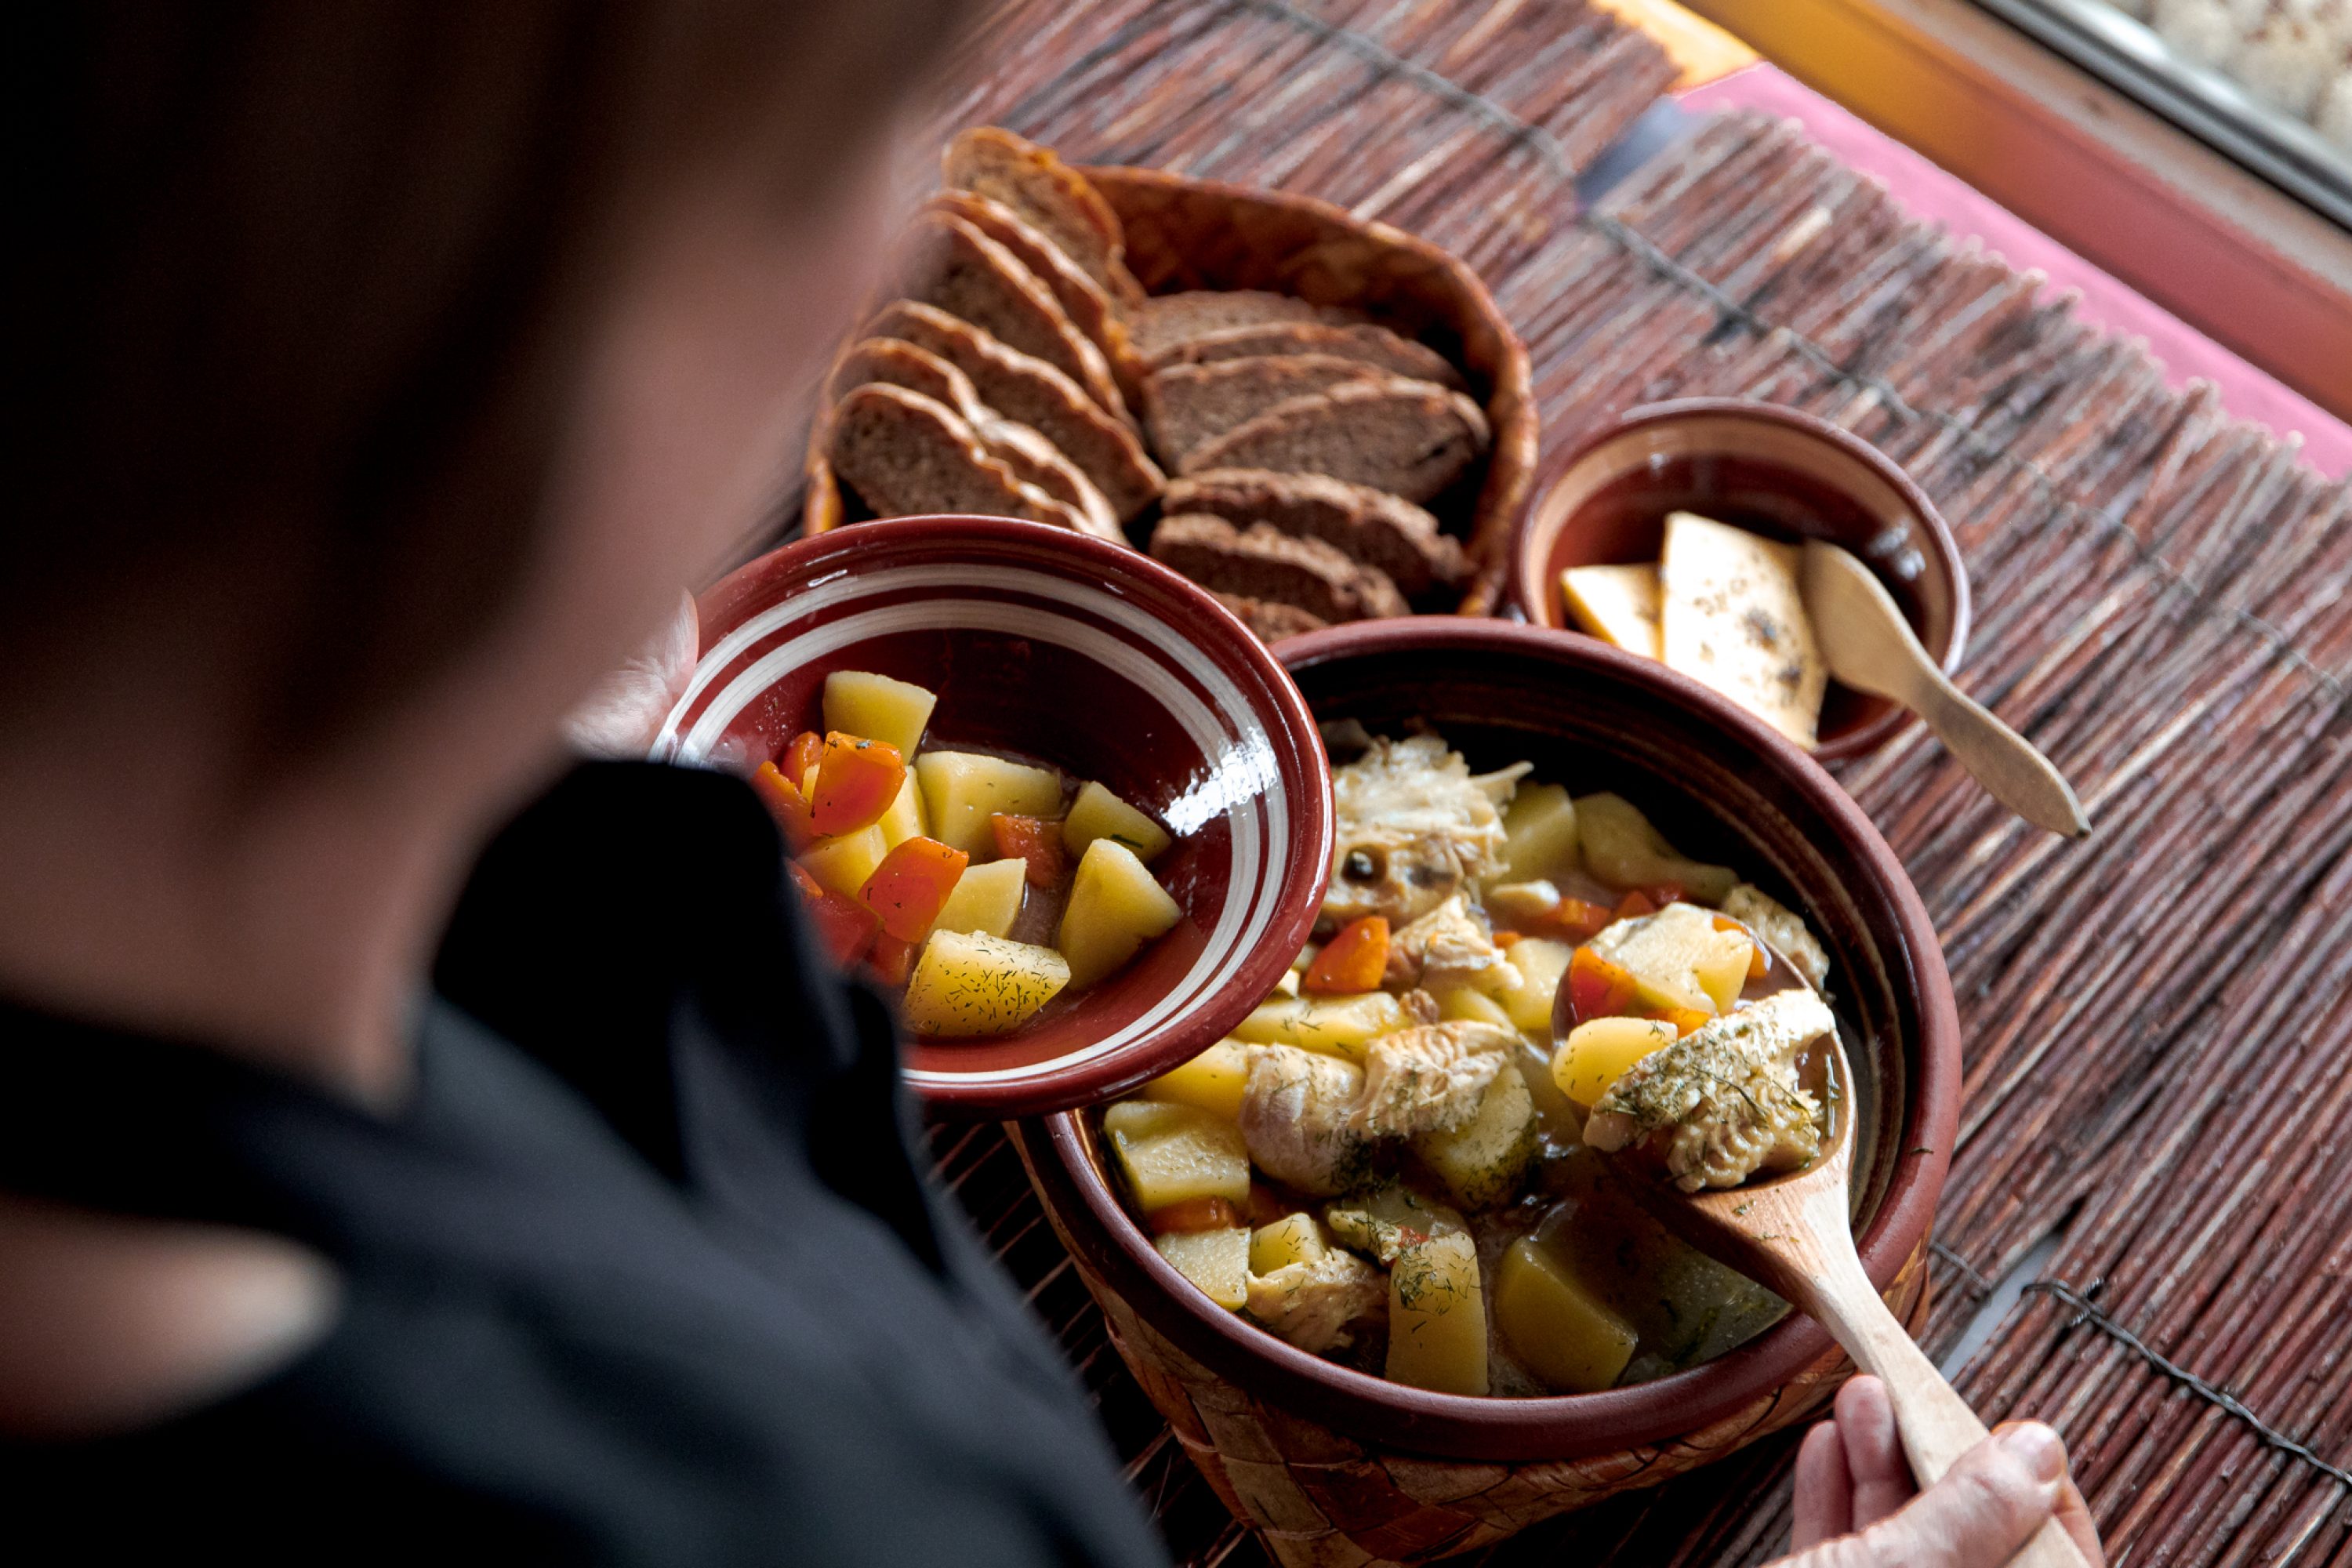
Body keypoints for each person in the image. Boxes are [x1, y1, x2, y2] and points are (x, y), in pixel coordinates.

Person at [0, 5, 2100, 1565]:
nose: (906, 270)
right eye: (866, 147)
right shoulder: (796, 1511)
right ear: (515, 308)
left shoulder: (506, 914)